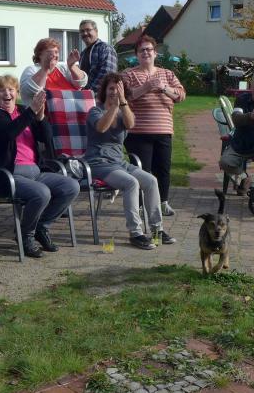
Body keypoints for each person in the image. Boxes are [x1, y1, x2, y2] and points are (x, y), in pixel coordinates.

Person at [0, 75, 80, 257]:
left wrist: (40, 117)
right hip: (6, 175)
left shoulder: (22, 111)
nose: (7, 93)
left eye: (11, 89)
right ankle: (25, 235)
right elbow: (8, 133)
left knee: (71, 186)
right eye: (1, 90)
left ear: (16, 93)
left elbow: (46, 138)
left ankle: (41, 226)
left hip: (35, 171)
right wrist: (31, 111)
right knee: (41, 193)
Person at [84, 73, 175, 250]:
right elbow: (102, 127)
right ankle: (136, 233)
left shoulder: (123, 111)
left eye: (118, 89)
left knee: (151, 180)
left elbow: (130, 124)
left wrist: (123, 103)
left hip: (119, 162)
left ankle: (157, 230)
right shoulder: (95, 111)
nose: (114, 92)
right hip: (98, 163)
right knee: (131, 183)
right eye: (111, 88)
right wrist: (114, 106)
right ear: (104, 91)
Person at [121, 35, 186, 216]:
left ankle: (163, 203)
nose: (146, 53)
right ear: (136, 55)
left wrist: (164, 88)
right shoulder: (129, 74)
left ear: (155, 53)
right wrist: (147, 86)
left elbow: (181, 95)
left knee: (163, 169)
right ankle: (141, 206)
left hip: (163, 130)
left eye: (149, 49)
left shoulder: (168, 74)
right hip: (138, 132)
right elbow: (125, 96)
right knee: (142, 171)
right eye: (142, 50)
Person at [19, 37, 87, 105]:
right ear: (40, 55)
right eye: (50, 52)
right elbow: (29, 91)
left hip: (73, 108)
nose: (54, 55)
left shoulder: (63, 68)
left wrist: (72, 66)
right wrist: (45, 68)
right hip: (45, 111)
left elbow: (81, 83)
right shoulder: (31, 70)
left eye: (56, 52)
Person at [78, 19, 117, 93]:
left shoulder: (105, 48)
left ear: (96, 31)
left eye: (88, 30)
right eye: (82, 31)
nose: (85, 33)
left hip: (101, 96)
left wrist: (91, 93)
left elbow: (107, 74)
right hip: (85, 96)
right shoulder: (83, 53)